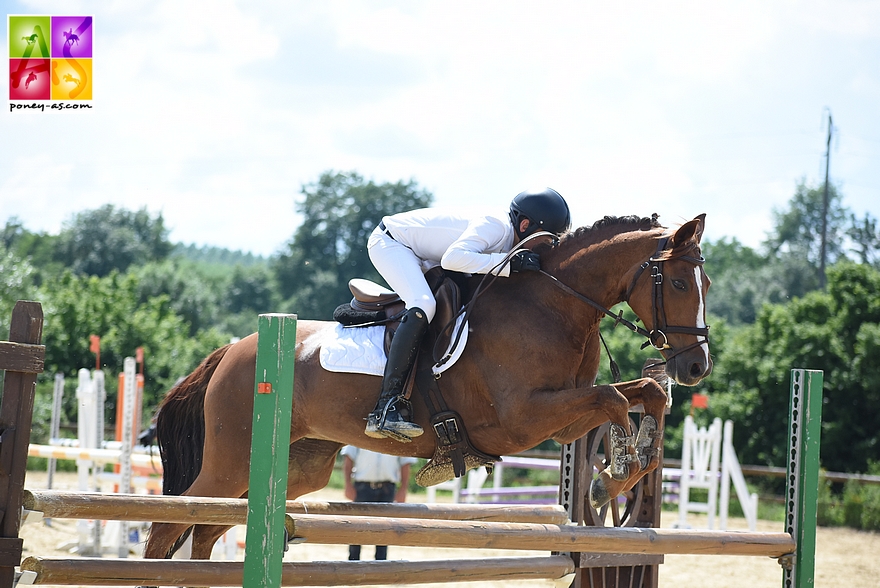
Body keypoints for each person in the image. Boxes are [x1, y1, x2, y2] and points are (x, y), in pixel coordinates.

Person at [364, 187, 571, 441]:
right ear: (525, 225)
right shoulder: (496, 226)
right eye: (548, 239)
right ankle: (386, 407)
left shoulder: (511, 239)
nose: (550, 247)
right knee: (424, 304)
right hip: (391, 242)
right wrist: (508, 263)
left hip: (424, 254)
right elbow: (453, 259)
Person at [341, 445, 416, 561]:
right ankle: (353, 564)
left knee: (385, 530)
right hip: (362, 487)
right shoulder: (359, 428)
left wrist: (403, 489)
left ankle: (381, 565)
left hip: (387, 489)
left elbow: (405, 462)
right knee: (357, 528)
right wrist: (347, 484)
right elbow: (349, 458)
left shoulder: (398, 431)